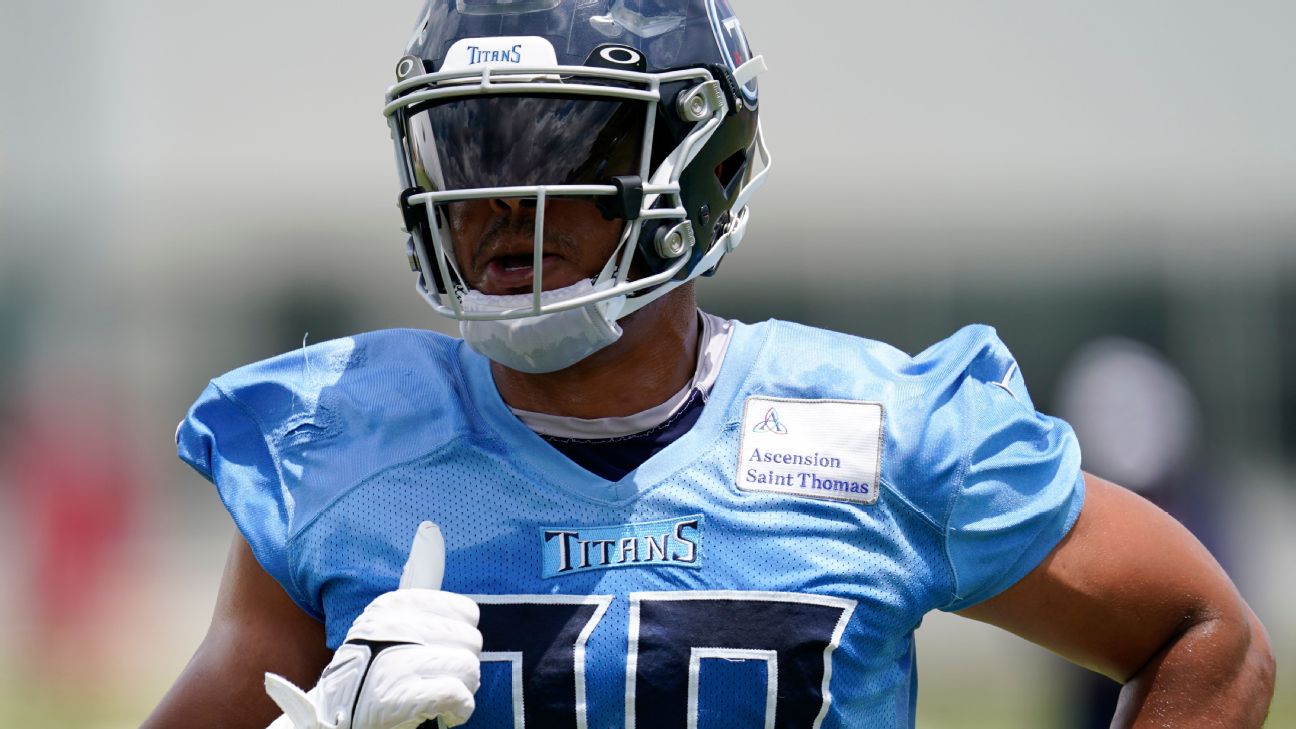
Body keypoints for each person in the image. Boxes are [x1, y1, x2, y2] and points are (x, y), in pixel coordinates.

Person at [142, 1, 1275, 727]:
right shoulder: (336, 441)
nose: (501, 200)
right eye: (470, 146)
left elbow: (1205, 638)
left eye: (560, 144)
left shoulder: (880, 429)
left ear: (700, 172)